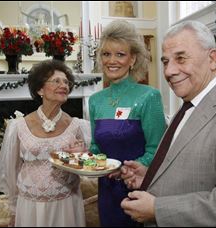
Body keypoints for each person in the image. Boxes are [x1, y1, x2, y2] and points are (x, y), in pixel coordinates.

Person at [120, 20, 216, 226]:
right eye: (166, 61)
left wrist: (158, 209)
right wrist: (150, 177)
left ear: (212, 59)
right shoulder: (187, 107)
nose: (169, 71)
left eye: (181, 58)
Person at [0, 60, 90, 227]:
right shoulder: (18, 126)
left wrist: (81, 156)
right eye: (56, 81)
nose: (64, 85)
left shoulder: (78, 126)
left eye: (66, 82)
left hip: (66, 204)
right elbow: (12, 169)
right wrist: (14, 209)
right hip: (29, 206)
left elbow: (89, 164)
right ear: (40, 89)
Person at [88, 19, 166, 227]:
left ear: (133, 59)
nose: (112, 60)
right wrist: (85, 155)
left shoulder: (149, 96)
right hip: (106, 190)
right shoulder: (95, 100)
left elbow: (157, 151)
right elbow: (96, 148)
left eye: (120, 54)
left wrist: (125, 169)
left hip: (138, 189)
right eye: (106, 54)